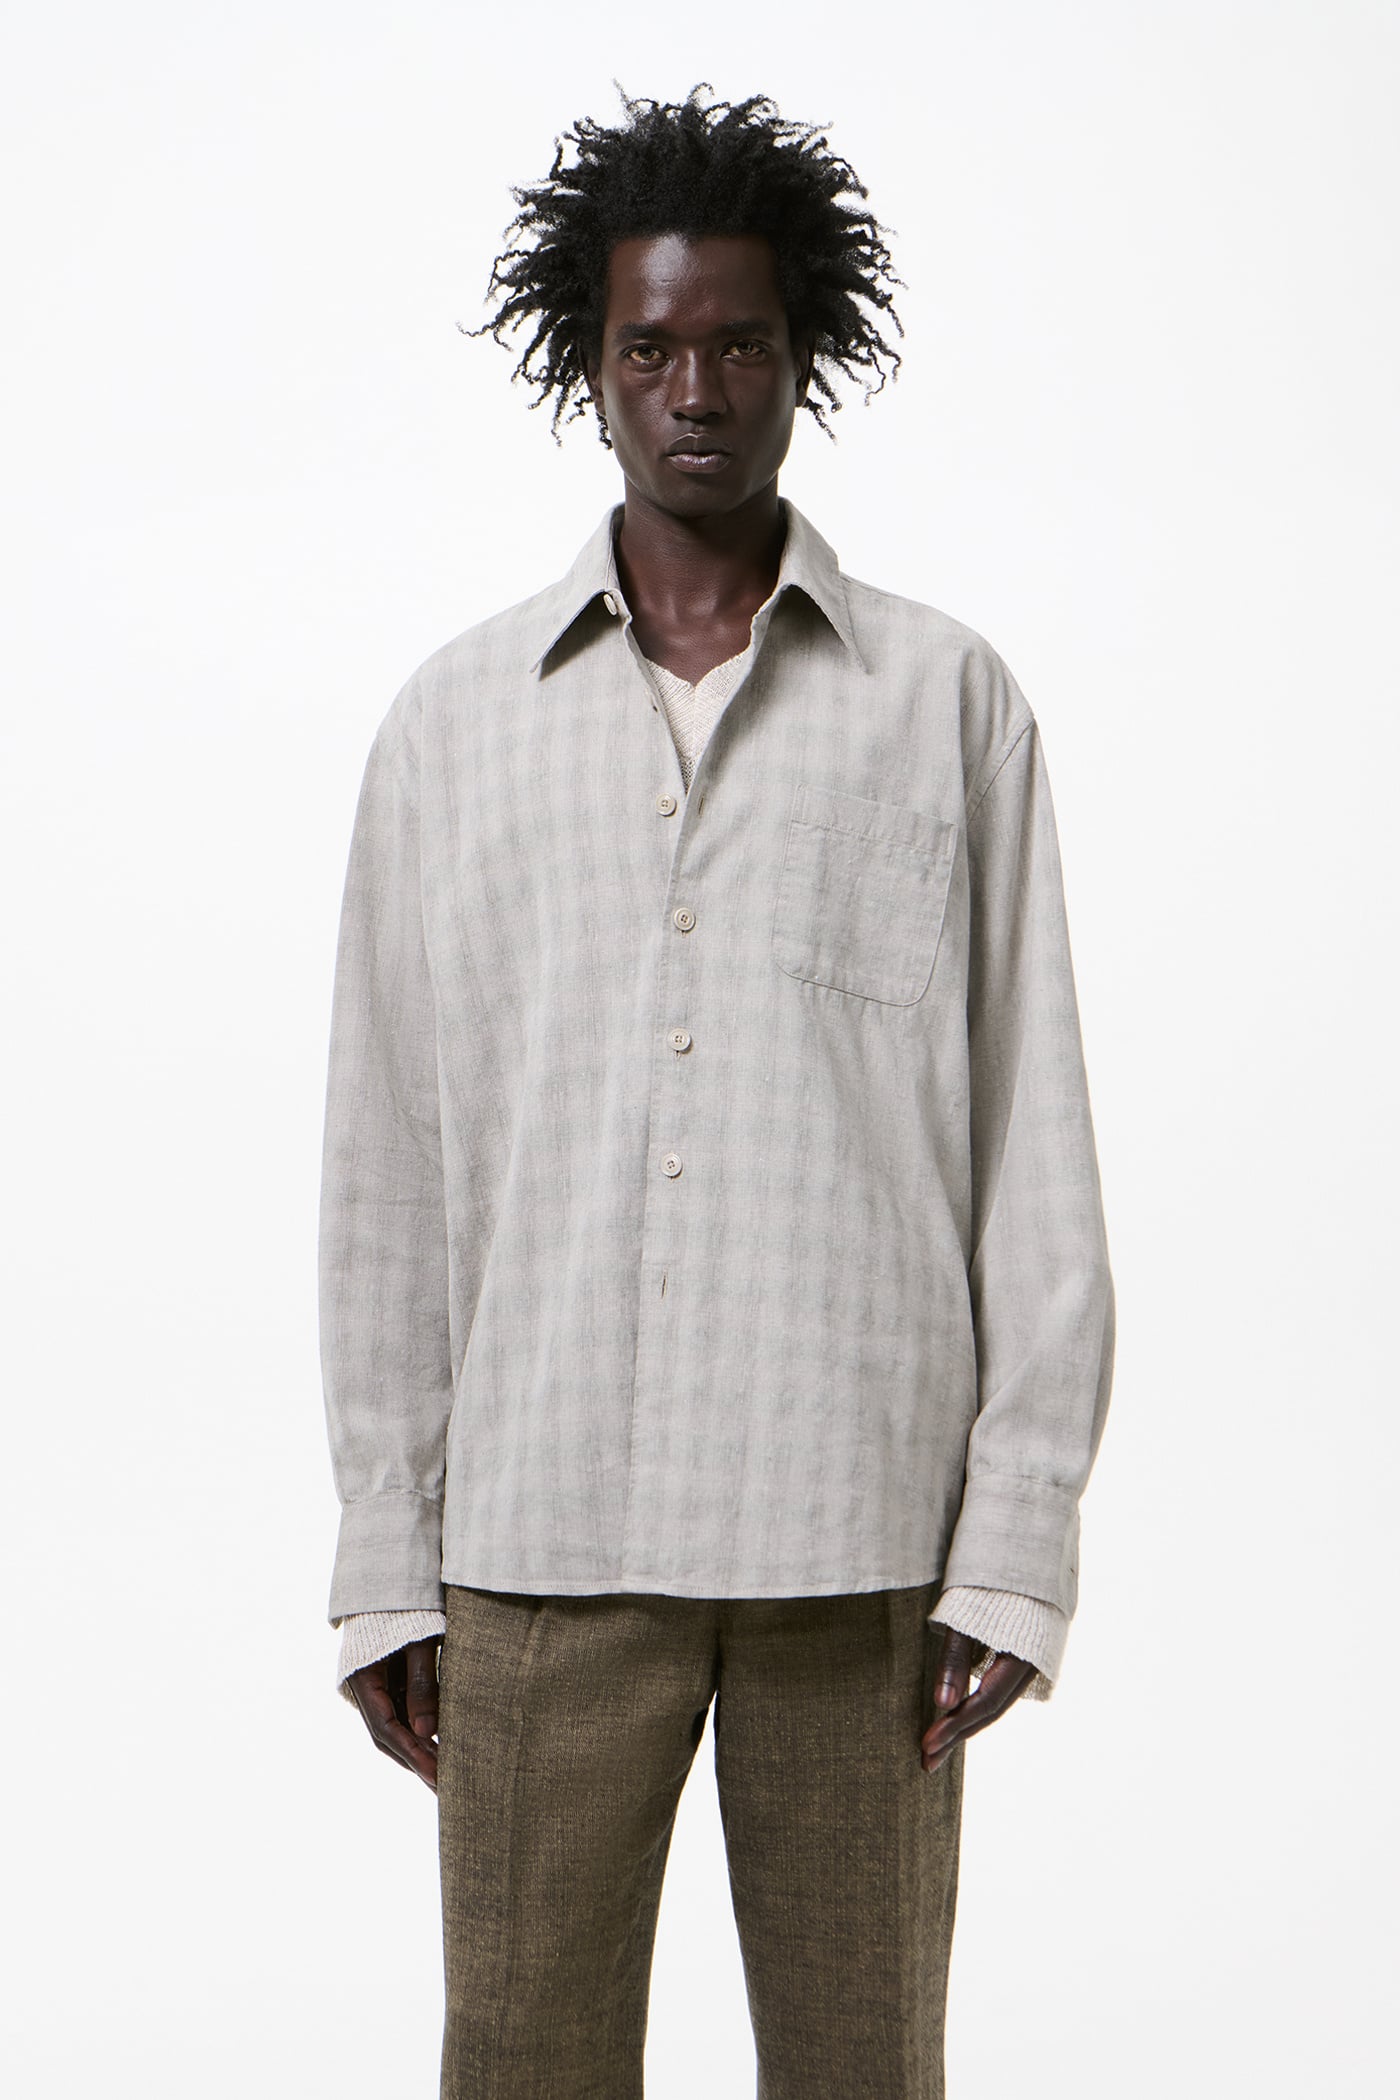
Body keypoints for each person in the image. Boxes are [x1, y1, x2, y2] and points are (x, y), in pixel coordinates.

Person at [318, 85, 1115, 2100]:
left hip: (862, 1555)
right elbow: (386, 1168)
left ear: (804, 353)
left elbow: (1031, 1137)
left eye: (740, 345)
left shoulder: (943, 704)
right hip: (535, 1554)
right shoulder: (452, 729)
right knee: (522, 2065)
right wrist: (386, 1552)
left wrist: (1015, 1537)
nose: (695, 391)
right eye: (650, 348)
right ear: (587, 367)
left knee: (862, 2069)